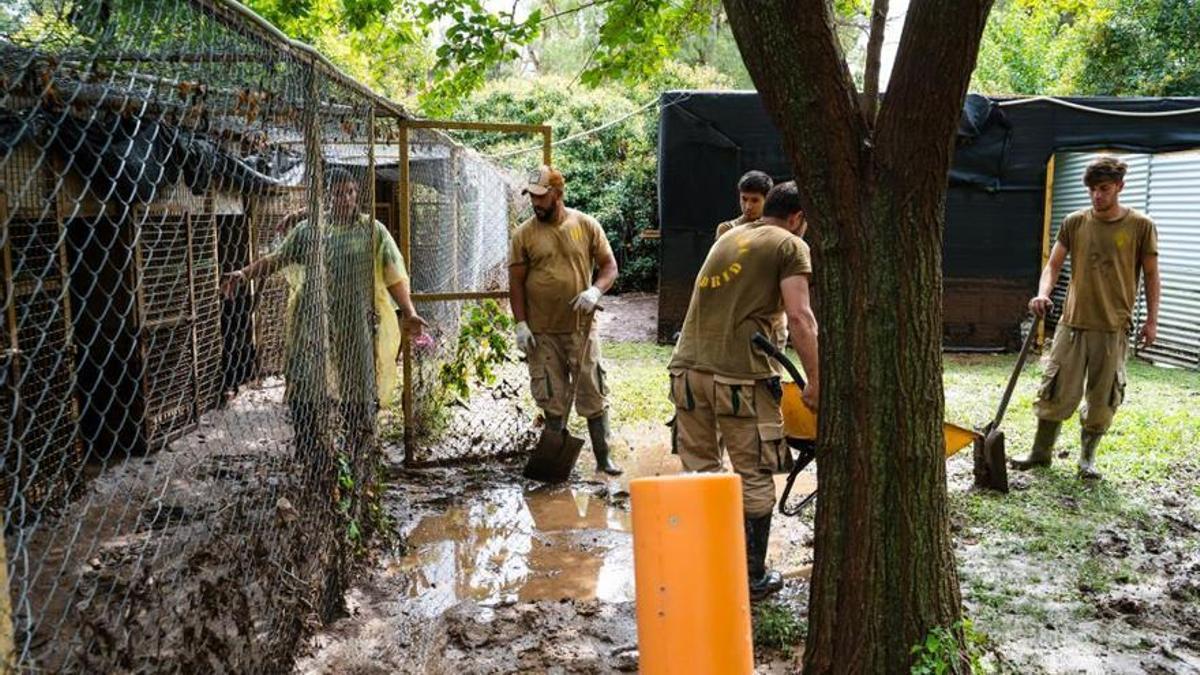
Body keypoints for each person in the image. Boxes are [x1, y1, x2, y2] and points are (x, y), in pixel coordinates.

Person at [667, 181, 819, 600]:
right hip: (739, 379)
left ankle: (706, 565)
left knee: (701, 471)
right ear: (798, 217)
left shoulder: (730, 236)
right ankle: (751, 577)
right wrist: (817, 382)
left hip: (686, 373)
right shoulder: (790, 245)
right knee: (753, 476)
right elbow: (801, 317)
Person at [222, 167, 426, 464]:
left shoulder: (372, 231)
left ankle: (359, 451)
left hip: (357, 321)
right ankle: (311, 452)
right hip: (311, 321)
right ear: (326, 196)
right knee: (304, 381)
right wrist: (243, 273)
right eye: (339, 192)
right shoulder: (308, 231)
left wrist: (409, 312)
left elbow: (392, 273)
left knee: (358, 384)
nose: (346, 198)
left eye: (351, 192)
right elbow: (277, 259)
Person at [1012, 156, 1160, 480]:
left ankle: (1087, 460)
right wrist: (1043, 293)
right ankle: (1040, 453)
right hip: (1072, 323)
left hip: (1112, 327)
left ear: (1119, 187)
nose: (1097, 196)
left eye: (1104, 189)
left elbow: (1151, 274)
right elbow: (1053, 265)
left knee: (1103, 397)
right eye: (1092, 190)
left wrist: (1152, 320)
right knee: (1054, 388)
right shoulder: (1075, 222)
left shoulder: (1141, 226)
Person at [509, 165, 622, 476]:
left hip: (581, 329)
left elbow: (609, 266)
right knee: (551, 395)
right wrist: (521, 324)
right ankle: (556, 460)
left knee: (593, 391)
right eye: (531, 196)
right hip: (542, 332)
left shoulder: (585, 225)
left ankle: (604, 458)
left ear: (558, 194)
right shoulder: (524, 235)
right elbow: (516, 283)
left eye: (541, 196)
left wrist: (595, 292)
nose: (535, 203)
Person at [715, 170, 774, 240]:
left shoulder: (777, 227)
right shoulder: (727, 229)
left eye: (755, 201)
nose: (748, 206)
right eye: (744, 199)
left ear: (767, 199)